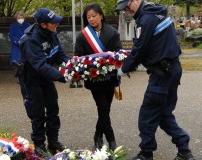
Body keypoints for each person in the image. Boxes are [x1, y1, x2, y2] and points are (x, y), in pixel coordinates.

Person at [115, 0, 195, 160]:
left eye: (127, 7)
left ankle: (146, 154)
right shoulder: (155, 12)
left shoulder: (146, 19)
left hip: (161, 73)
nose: (127, 12)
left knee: (147, 115)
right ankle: (184, 150)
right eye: (124, 10)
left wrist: (123, 69)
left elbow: (140, 49)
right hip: (172, 69)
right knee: (164, 114)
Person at [18, 8, 70, 158]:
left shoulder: (52, 33)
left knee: (53, 109)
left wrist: (72, 66)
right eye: (53, 22)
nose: (57, 24)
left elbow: (60, 53)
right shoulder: (30, 40)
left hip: (46, 77)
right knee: (38, 112)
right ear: (43, 25)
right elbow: (39, 65)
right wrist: (60, 76)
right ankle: (39, 144)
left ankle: (53, 142)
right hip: (31, 80)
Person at [74, 3, 122, 151]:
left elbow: (118, 53)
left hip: (110, 78)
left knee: (105, 110)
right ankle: (111, 140)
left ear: (101, 15)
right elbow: (79, 57)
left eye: (94, 16)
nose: (91, 19)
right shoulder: (83, 35)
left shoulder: (113, 32)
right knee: (102, 107)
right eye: (88, 17)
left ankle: (97, 136)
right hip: (94, 79)